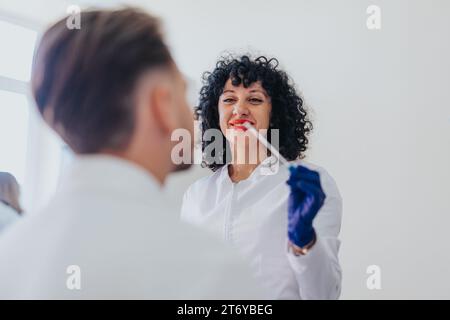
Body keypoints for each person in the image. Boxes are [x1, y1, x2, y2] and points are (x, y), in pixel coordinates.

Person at [0, 9, 262, 299]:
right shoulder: (214, 270)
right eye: (183, 91)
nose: (194, 115)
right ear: (162, 105)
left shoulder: (10, 255)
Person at [181, 55, 343, 299]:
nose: (239, 109)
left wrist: (305, 241)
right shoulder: (197, 195)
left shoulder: (308, 184)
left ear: (274, 114)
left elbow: (323, 294)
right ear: (216, 113)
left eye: (254, 99)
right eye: (229, 99)